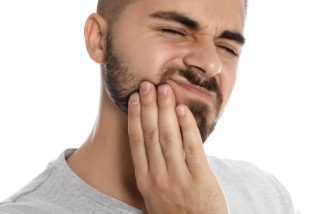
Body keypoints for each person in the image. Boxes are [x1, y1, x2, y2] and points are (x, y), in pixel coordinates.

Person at [0, 0, 300, 213]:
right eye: (175, 31)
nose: (211, 63)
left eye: (227, 47)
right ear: (99, 39)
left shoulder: (265, 194)